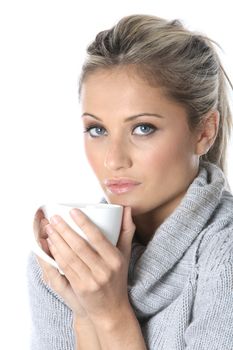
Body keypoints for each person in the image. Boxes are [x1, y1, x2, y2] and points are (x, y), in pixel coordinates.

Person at [27, 14, 233, 349]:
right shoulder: (64, 255)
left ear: (204, 131)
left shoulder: (224, 253)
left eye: (143, 128)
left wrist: (109, 316)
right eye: (98, 129)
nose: (113, 159)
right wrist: (83, 315)